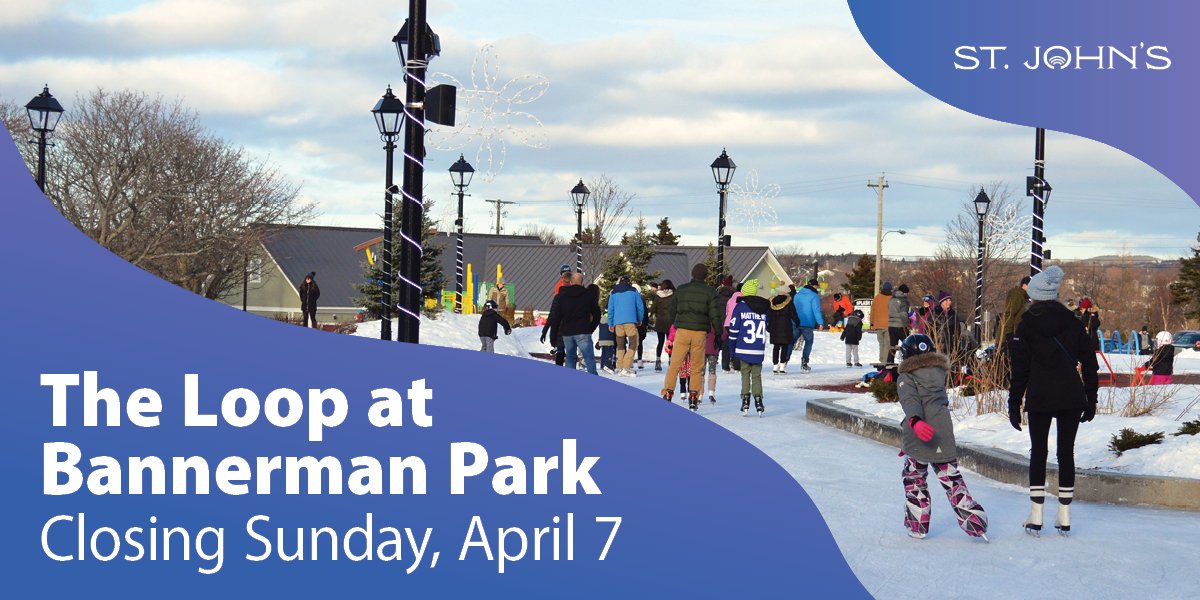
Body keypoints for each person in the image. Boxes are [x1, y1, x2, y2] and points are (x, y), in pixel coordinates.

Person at [1008, 266, 1099, 536]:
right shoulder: (1072, 322)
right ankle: (1065, 515)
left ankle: (1036, 517)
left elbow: (1020, 370)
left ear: (1034, 294)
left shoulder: (1025, 325)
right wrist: (1090, 398)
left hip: (1040, 396)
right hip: (1071, 396)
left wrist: (1014, 403)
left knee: (1039, 452)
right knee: (1065, 453)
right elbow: (1090, 362)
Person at [897, 333, 989, 541]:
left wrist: (914, 421)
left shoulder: (906, 376)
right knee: (951, 478)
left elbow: (910, 400)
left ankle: (917, 525)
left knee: (914, 479)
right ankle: (975, 523)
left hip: (919, 431)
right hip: (942, 431)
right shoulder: (938, 373)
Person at [662, 264, 722, 411]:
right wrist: (719, 334)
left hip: (682, 331)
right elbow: (715, 314)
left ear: (692, 274)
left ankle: (668, 392)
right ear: (705, 276)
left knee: (675, 364)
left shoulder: (681, 289)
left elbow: (673, 311)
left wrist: (675, 324)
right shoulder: (710, 292)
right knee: (696, 367)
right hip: (700, 333)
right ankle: (694, 396)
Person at [545, 273, 601, 375]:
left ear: (571, 282)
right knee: (588, 357)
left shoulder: (563, 296)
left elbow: (556, 317)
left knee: (570, 357)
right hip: (583, 331)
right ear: (582, 282)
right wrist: (590, 328)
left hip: (567, 332)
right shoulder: (588, 295)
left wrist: (553, 336)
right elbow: (597, 314)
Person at [728, 279, 769, 416]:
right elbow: (768, 326)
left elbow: (734, 330)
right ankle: (758, 399)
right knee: (756, 376)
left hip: (743, 348)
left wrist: (732, 350)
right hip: (758, 348)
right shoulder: (763, 308)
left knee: (745, 374)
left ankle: (745, 399)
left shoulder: (740, 307)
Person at [607, 274, 645, 377]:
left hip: (618, 323)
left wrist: (610, 323)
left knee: (620, 345)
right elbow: (640, 307)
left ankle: (619, 367)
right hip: (630, 322)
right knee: (634, 343)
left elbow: (610, 310)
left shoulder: (613, 293)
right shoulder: (634, 291)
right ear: (629, 282)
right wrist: (639, 319)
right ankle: (626, 366)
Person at [792, 278, 824, 373]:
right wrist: (820, 323)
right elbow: (816, 310)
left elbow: (793, 309)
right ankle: (804, 362)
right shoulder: (814, 296)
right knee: (808, 342)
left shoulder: (797, 295)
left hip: (796, 322)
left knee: (790, 342)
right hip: (808, 324)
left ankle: (784, 360)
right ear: (814, 286)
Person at [768, 288, 801, 373]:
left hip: (774, 328)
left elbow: (769, 316)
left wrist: (769, 327)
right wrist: (797, 322)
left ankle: (775, 366)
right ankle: (782, 366)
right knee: (784, 347)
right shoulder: (789, 302)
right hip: (785, 327)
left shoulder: (772, 302)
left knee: (776, 347)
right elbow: (793, 313)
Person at [651, 280, 675, 372]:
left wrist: (654, 313)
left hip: (660, 322)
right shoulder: (673, 295)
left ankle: (658, 361)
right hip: (670, 322)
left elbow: (653, 308)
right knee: (669, 342)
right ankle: (670, 360)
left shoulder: (658, 296)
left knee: (660, 342)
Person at [722, 282, 744, 372]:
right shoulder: (742, 299)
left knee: (727, 344)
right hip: (737, 323)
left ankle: (725, 365)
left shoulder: (730, 299)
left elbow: (727, 312)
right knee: (737, 344)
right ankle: (737, 366)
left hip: (727, 323)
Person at [887, 283, 912, 364]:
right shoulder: (904, 301)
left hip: (891, 325)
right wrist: (908, 324)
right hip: (901, 325)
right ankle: (907, 361)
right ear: (905, 292)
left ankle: (890, 361)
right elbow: (904, 314)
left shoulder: (891, 299)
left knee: (893, 345)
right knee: (908, 344)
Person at [871, 282, 893, 365]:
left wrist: (872, 323)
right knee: (887, 344)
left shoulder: (876, 298)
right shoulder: (892, 298)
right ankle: (885, 361)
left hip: (878, 324)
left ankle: (881, 359)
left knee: (881, 343)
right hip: (888, 324)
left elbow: (873, 311)